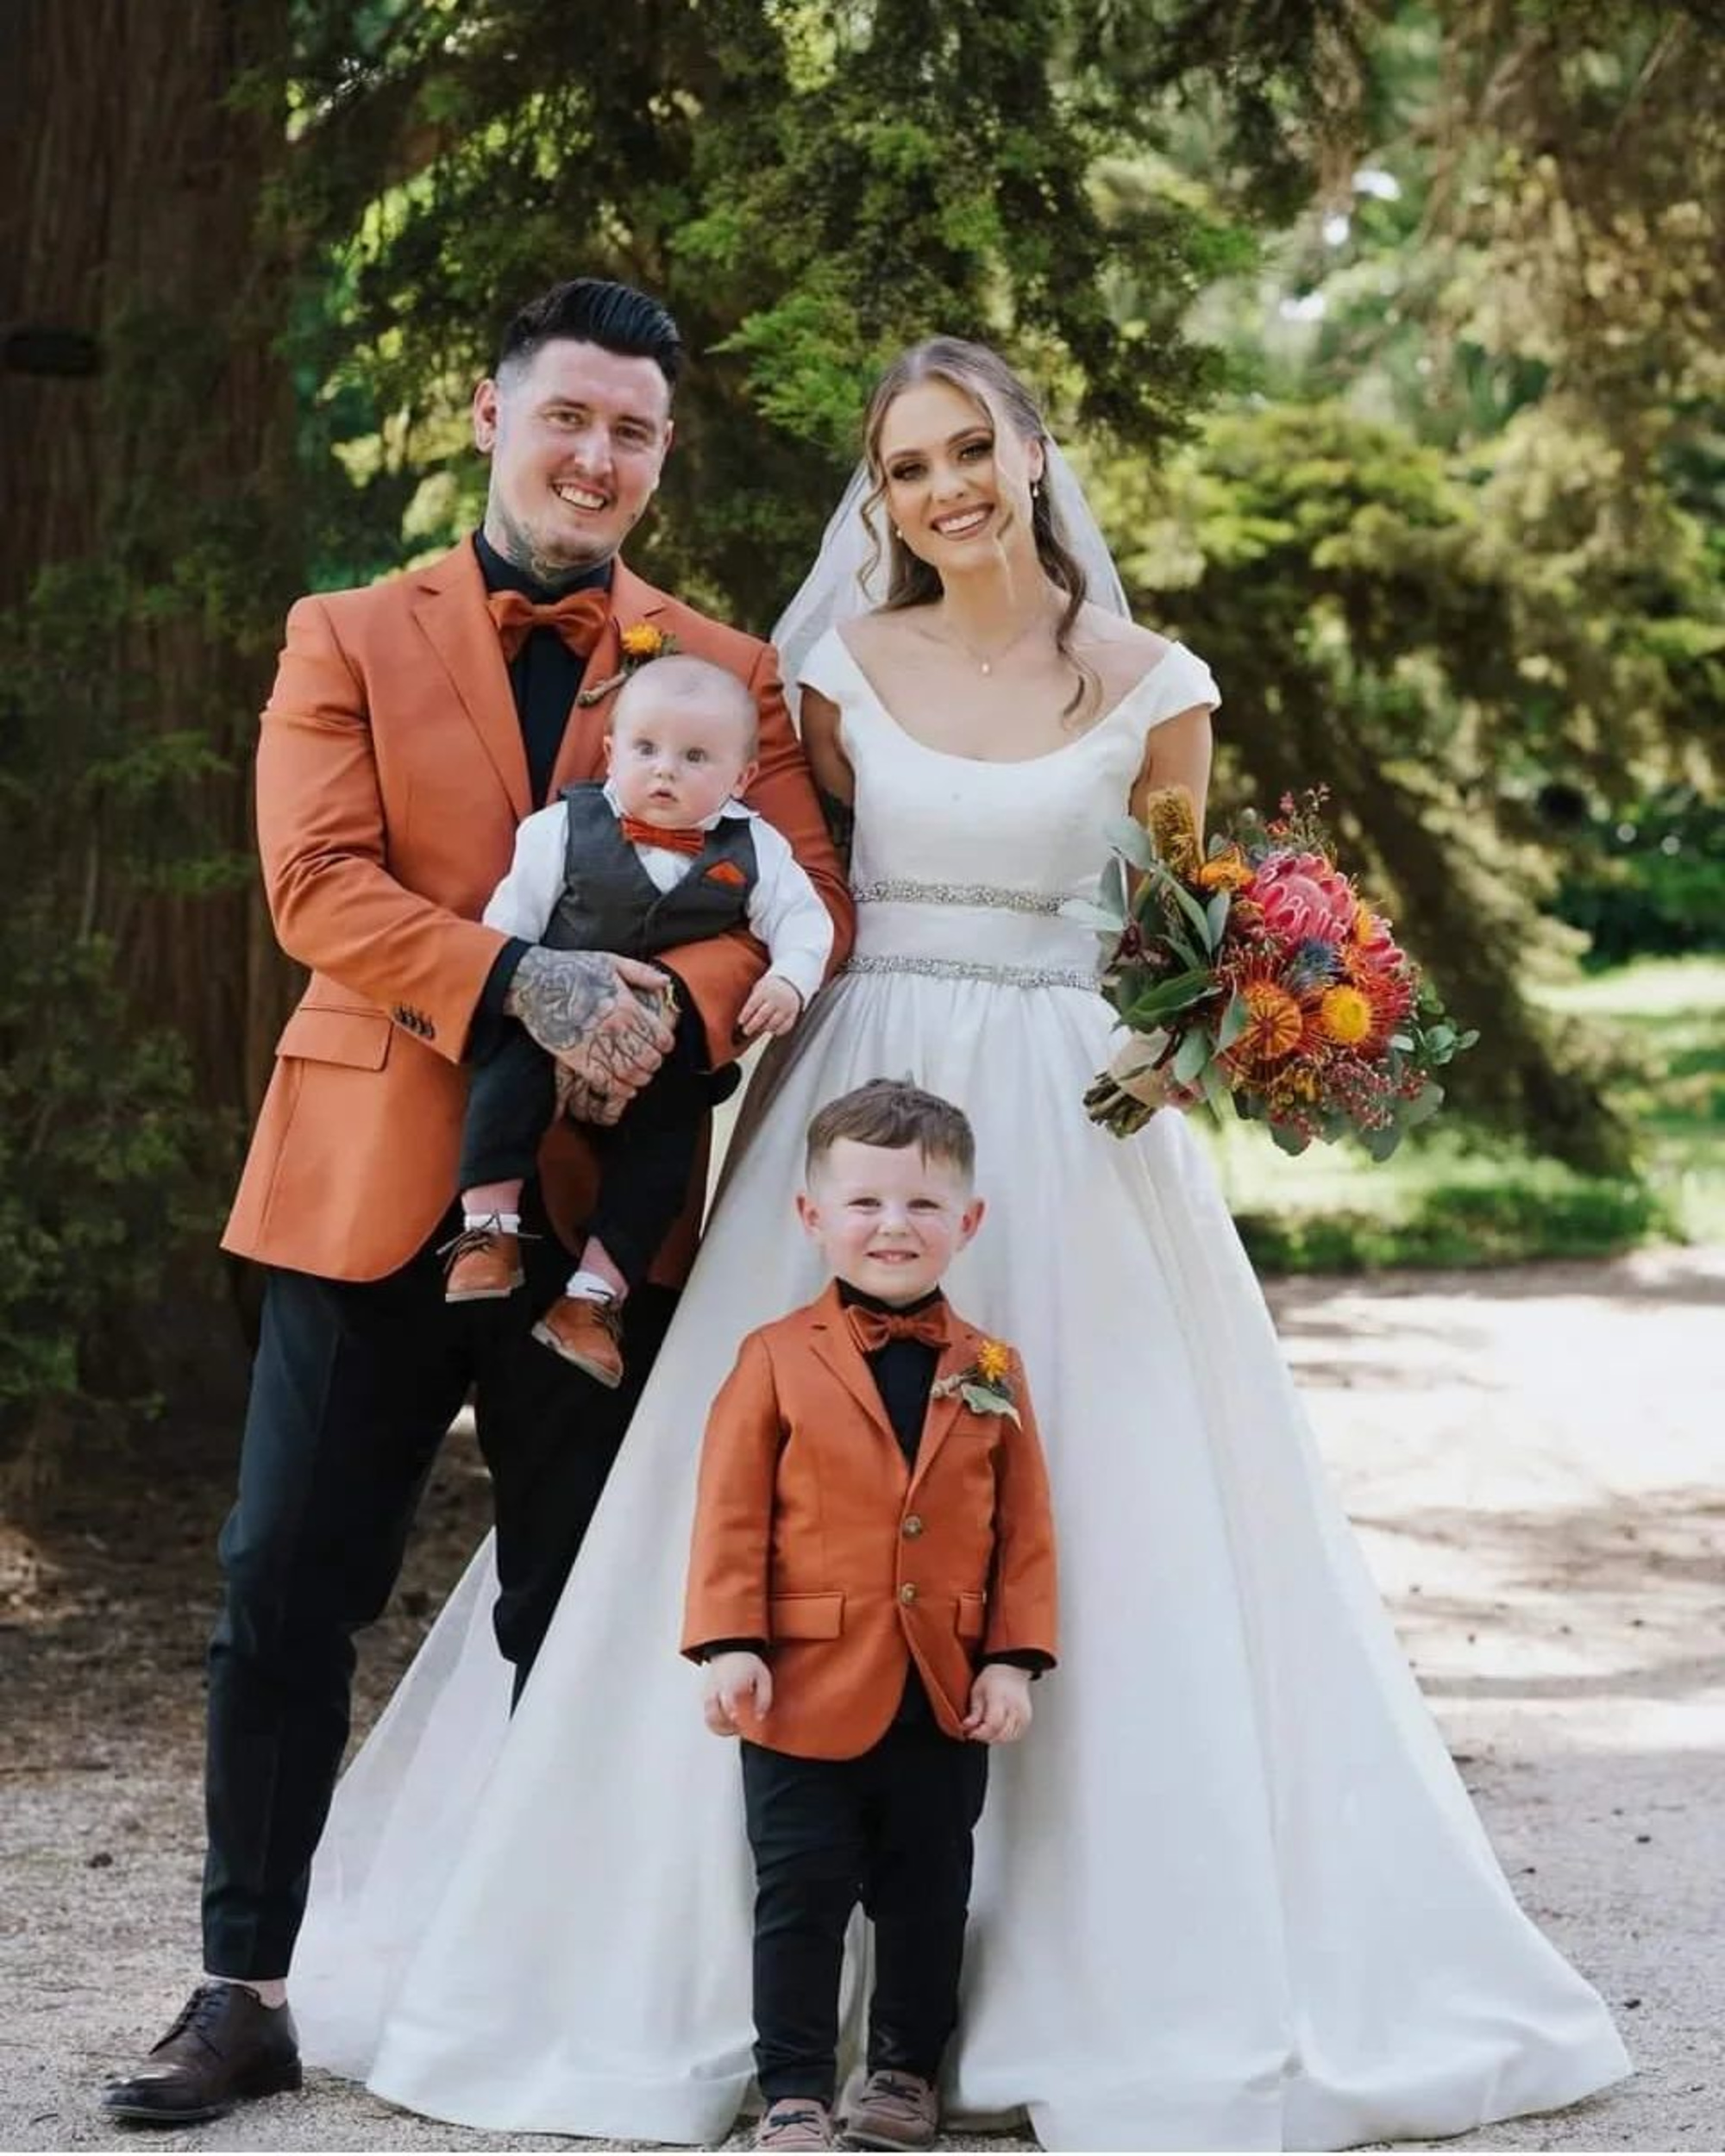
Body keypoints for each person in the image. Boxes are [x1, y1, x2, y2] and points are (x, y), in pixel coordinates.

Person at [277, 335, 1630, 2151]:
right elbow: (798, 895)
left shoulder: (1158, 683)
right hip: (860, 1101)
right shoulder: (834, 671)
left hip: (1071, 1131)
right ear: (883, 500)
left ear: (1029, 451)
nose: (939, 493)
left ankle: (1080, 1970)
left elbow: (1171, 922)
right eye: (905, 469)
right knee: (779, 1468)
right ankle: (744, 1987)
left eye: (964, 451)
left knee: (1116, 1499)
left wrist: (1209, 1032)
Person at [99, 277, 850, 2127]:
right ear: (489, 414)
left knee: (579, 1607)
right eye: (568, 417)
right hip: (368, 1180)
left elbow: (798, 897)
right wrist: (521, 983)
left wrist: (660, 1004)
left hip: (611, 1207)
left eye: (634, 433)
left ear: (660, 463)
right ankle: (244, 1983)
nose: (597, 456)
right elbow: (315, 885)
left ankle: (551, 1979)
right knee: (283, 1581)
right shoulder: (346, 630)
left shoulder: (730, 669)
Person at [685, 1081, 1057, 2151]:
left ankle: (902, 2072)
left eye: (922, 1206)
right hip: (797, 1687)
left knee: (927, 1890)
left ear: (966, 1221)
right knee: (797, 1889)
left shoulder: (990, 1368)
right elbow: (727, 1512)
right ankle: (795, 2084)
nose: (893, 1226)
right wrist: (729, 1641)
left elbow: (1023, 1529)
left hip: (941, 1692)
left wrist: (1012, 1661)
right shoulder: (771, 1357)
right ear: (812, 1216)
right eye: (865, 1204)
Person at [448, 651, 833, 1388]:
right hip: (550, 1023)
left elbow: (806, 926)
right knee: (505, 1082)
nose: (665, 772)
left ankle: (594, 1298)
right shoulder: (561, 828)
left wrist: (788, 980)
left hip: (663, 1049)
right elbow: (507, 929)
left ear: (743, 778)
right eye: (646, 750)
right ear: (611, 752)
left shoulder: (756, 847)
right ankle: (487, 1229)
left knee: (667, 1147)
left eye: (696, 758)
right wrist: (539, 997)